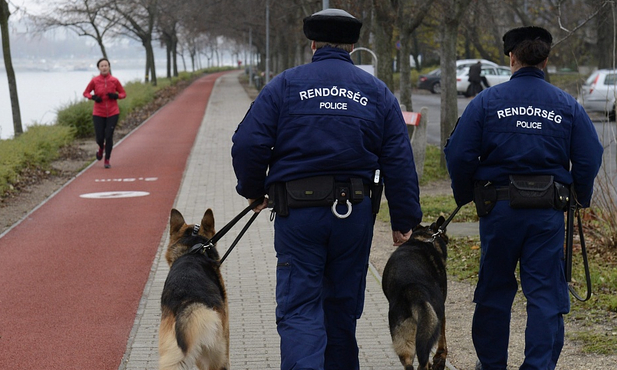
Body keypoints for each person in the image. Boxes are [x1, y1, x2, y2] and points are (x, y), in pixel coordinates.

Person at [231, 8, 422, 370]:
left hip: (298, 215)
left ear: (313, 42)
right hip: (354, 215)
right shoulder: (376, 91)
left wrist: (254, 191)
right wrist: (404, 218)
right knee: (340, 309)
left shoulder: (285, 85)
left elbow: (247, 144)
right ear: (352, 45)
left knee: (300, 307)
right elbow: (398, 158)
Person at [444, 26, 602, 370]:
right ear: (546, 60)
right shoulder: (567, 105)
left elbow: (459, 154)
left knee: (494, 292)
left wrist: (464, 194)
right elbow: (591, 155)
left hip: (498, 210)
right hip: (546, 213)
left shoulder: (485, 102)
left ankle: (491, 364)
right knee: (545, 295)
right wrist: (581, 198)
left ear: (511, 57)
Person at [83, 58, 126, 169]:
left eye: (106, 65)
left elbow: (123, 93)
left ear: (109, 67)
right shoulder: (95, 81)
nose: (104, 67)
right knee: (100, 137)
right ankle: (101, 148)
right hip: (98, 112)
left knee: (109, 136)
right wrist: (93, 97)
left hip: (112, 112)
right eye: (102, 66)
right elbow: (86, 92)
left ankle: (107, 159)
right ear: (99, 68)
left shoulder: (114, 80)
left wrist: (116, 96)